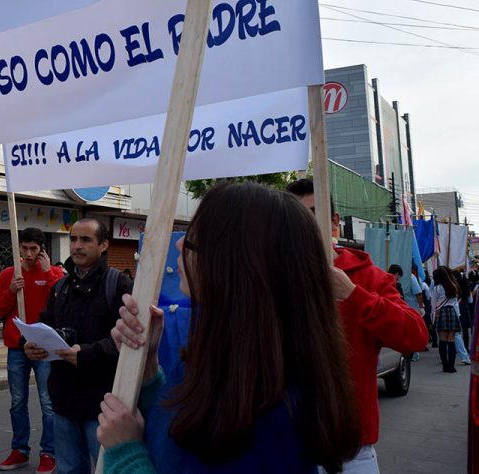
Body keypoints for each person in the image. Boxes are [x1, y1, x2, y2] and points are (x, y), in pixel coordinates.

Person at [98, 182, 362, 473]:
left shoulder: (268, 411)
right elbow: (179, 434)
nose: (178, 245)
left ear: (235, 265)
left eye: (194, 239)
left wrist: (125, 455)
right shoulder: (233, 361)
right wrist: (148, 372)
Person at [286, 178, 427, 473]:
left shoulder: (369, 278)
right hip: (282, 447)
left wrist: (353, 294)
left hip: (348, 454)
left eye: (312, 215)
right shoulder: (273, 279)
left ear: (334, 222)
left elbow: (416, 336)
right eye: (293, 220)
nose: (303, 228)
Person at [25, 219, 132, 474]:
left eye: (85, 240)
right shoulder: (60, 287)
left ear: (104, 245)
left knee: (109, 469)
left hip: (103, 404)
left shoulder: (118, 285)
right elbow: (44, 323)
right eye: (73, 239)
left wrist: (87, 353)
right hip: (63, 401)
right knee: (69, 469)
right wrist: (29, 342)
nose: (77, 246)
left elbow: (131, 338)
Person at [0, 227, 63, 473]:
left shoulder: (54, 274)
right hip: (16, 348)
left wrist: (50, 275)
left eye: (34, 249)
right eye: (25, 248)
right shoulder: (9, 274)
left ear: (42, 249)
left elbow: (63, 304)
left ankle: (49, 452)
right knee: (17, 401)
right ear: (19, 248)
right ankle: (20, 450)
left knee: (48, 403)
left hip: (46, 348)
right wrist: (12, 290)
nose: (29, 254)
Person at [431, 266, 462, 373]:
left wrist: (432, 317)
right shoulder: (454, 286)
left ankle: (445, 366)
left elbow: (433, 305)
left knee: (442, 341)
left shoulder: (437, 288)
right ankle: (451, 366)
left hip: (441, 313)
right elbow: (455, 302)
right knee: (451, 340)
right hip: (452, 312)